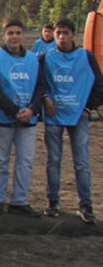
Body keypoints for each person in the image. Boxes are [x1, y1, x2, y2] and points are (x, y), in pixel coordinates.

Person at [41, 18, 103, 223]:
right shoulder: (46, 57)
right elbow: (38, 82)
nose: (61, 37)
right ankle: (53, 202)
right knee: (53, 161)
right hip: (53, 117)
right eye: (58, 33)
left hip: (79, 117)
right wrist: (44, 98)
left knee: (82, 162)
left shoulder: (86, 56)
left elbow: (99, 84)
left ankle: (85, 205)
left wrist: (88, 107)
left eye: (65, 33)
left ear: (73, 35)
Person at [0, 18, 46, 217]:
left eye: (18, 33)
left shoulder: (34, 59)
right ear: (4, 35)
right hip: (3, 118)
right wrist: (14, 110)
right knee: (0, 160)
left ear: (23, 35)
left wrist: (32, 109)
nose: (14, 36)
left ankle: (20, 201)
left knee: (25, 161)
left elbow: (41, 87)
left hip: (29, 119)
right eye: (10, 33)